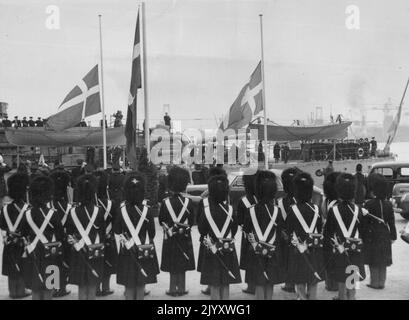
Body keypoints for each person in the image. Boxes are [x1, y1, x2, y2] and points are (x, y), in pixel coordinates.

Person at [114, 173, 159, 300]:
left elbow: (117, 231)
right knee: (141, 284)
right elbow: (152, 233)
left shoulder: (121, 209)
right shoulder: (147, 210)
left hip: (126, 251)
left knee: (128, 284)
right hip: (144, 249)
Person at [243, 170, 286, 300]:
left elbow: (247, 231)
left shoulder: (251, 210)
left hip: (255, 251)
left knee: (259, 282)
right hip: (273, 250)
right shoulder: (277, 211)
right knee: (270, 281)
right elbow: (280, 232)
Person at [197, 174, 241, 300]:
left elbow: (201, 230)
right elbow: (234, 229)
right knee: (226, 282)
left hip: (211, 249)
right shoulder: (231, 209)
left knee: (214, 282)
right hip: (228, 249)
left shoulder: (206, 210)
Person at [20, 175, 64, 300]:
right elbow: (61, 235)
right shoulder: (53, 213)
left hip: (33, 254)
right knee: (49, 287)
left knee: (35, 288)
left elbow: (23, 233)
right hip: (51, 254)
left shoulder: (27, 213)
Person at [324, 173, 366, 300]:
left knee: (341, 275)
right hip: (355, 248)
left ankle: (341, 296)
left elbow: (328, 233)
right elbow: (363, 231)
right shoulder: (358, 210)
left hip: (339, 248)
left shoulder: (334, 210)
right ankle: (352, 296)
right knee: (353, 272)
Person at [66, 174, 106, 300]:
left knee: (81, 283)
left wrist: (77, 243)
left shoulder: (72, 211)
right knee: (93, 282)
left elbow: (69, 231)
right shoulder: (98, 210)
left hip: (79, 250)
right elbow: (103, 232)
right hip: (95, 249)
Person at [286, 172, 324, 300]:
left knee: (300, 279)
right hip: (314, 249)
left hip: (298, 249)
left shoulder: (292, 209)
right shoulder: (316, 209)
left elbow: (289, 230)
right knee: (312, 279)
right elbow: (319, 229)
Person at [159, 166, 195, 296]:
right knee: (183, 264)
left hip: (170, 238)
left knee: (172, 263)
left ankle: (172, 288)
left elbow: (161, 221)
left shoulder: (165, 202)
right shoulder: (188, 202)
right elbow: (191, 222)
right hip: (184, 237)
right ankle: (182, 288)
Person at [197, 166, 227, 296]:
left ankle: (211, 287)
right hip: (225, 238)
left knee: (210, 265)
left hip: (209, 238)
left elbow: (199, 221)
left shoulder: (205, 198)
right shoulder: (226, 196)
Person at [362, 173, 396, 289]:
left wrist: (363, 236)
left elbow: (364, 223)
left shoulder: (369, 204)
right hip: (385, 233)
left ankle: (374, 282)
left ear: (375, 190)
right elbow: (391, 222)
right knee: (383, 260)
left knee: (373, 259)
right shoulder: (389, 204)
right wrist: (393, 236)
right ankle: (382, 282)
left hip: (373, 234)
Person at [0, 173, 31, 299]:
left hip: (10, 242)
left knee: (11, 267)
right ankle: (21, 290)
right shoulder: (28, 208)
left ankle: (13, 291)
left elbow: (2, 225)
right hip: (23, 242)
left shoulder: (5, 209)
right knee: (22, 266)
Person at [49, 170, 72, 298]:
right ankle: (62, 288)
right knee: (64, 262)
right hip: (64, 239)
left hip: (50, 239)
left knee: (51, 263)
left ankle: (51, 288)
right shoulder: (68, 207)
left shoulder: (48, 205)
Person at [277, 167, 300, 293]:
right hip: (300, 236)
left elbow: (279, 222)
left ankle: (289, 283)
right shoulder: (303, 201)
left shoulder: (281, 202)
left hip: (286, 236)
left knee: (287, 259)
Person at [94, 170, 116, 297]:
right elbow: (115, 220)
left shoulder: (91, 203)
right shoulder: (111, 203)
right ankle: (106, 287)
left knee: (96, 262)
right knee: (107, 262)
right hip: (108, 237)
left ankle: (96, 287)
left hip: (94, 238)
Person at [237, 171, 257, 295]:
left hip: (249, 236)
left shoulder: (243, 201)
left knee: (250, 261)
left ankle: (251, 286)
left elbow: (239, 220)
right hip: (264, 235)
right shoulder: (265, 199)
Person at [322, 171, 341, 292]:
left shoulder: (325, 201)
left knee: (329, 260)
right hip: (339, 235)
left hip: (327, 234)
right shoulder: (339, 203)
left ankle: (330, 284)